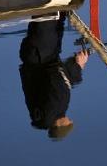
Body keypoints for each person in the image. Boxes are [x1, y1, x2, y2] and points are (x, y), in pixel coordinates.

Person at [19, 10, 89, 140]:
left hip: (42, 54)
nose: (70, 120)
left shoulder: (56, 108)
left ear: (61, 125)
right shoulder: (44, 114)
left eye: (69, 123)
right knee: (56, 16)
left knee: (48, 13)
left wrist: (77, 66)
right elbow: (55, 81)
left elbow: (56, 76)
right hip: (37, 56)